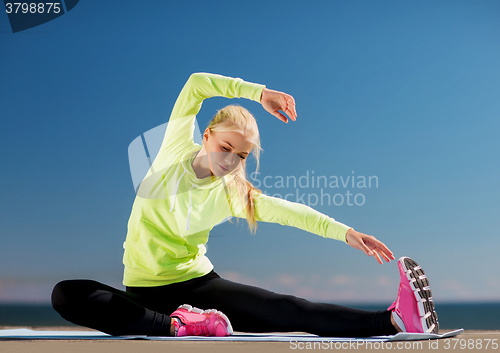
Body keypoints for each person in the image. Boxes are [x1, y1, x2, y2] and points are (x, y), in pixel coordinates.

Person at [51, 72, 439, 337]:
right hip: (142, 294)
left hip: (199, 288)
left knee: (287, 309)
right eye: (225, 147)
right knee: (66, 294)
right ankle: (177, 326)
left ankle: (395, 321)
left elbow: (290, 213)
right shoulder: (172, 150)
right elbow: (196, 84)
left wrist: (347, 233)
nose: (230, 160)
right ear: (206, 136)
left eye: (240, 155)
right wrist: (259, 92)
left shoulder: (233, 193)